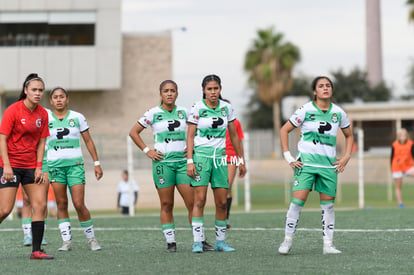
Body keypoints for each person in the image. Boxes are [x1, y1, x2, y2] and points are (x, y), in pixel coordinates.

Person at [129, 80, 214, 253]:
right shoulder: (152, 113)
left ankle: (200, 240)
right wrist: (148, 151)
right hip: (163, 164)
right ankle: (171, 243)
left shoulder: (185, 112)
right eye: (166, 91)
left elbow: (196, 131)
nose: (169, 94)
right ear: (160, 94)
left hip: (183, 164)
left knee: (192, 202)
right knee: (167, 204)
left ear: (177, 93)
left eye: (172, 91)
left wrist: (194, 148)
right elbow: (133, 132)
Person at [278, 76, 353, 255]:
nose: (325, 88)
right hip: (306, 165)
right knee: (296, 203)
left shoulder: (339, 113)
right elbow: (284, 130)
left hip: (328, 167)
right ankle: (287, 241)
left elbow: (349, 135)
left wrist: (347, 156)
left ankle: (328, 245)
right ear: (315, 91)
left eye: (328, 86)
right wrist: (288, 156)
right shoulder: (305, 110)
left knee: (328, 206)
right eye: (321, 86)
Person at [187, 74, 246, 253]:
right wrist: (190, 160)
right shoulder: (197, 108)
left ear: (220, 89)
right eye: (209, 89)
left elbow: (234, 135)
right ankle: (198, 242)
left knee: (221, 201)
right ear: (204, 90)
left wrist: (241, 159)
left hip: (221, 159)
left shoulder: (227, 108)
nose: (213, 92)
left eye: (216, 88)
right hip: (201, 158)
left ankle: (221, 242)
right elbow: (190, 136)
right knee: (200, 200)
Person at [0, 73, 53, 260]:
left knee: (40, 205)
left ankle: (36, 251)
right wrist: (6, 165)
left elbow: (41, 142)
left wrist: (39, 167)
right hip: (11, 166)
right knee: (5, 210)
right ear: (25, 91)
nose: (38, 93)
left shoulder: (43, 114)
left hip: (31, 166)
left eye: (40, 90)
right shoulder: (13, 110)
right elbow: (2, 138)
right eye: (34, 90)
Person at [45, 86, 103, 252]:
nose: (58, 99)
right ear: (51, 101)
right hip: (55, 166)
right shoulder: (46, 118)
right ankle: (66, 241)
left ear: (67, 99)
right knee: (61, 203)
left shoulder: (78, 117)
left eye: (61, 96)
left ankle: (91, 239)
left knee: (78, 203)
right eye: (55, 97)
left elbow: (89, 141)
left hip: (75, 166)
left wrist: (96, 163)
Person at [222, 99, 244, 229]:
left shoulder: (235, 123)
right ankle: (221, 216)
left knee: (227, 186)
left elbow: (239, 142)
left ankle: (225, 218)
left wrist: (241, 161)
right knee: (221, 189)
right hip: (217, 157)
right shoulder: (213, 122)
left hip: (232, 157)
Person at [390, 128, 414, 208]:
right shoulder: (394, 145)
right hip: (397, 168)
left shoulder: (411, 144)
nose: (403, 137)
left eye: (404, 136)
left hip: (408, 167)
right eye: (401, 136)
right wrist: (392, 170)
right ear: (398, 137)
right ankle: (400, 203)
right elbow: (392, 157)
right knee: (398, 186)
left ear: (407, 136)